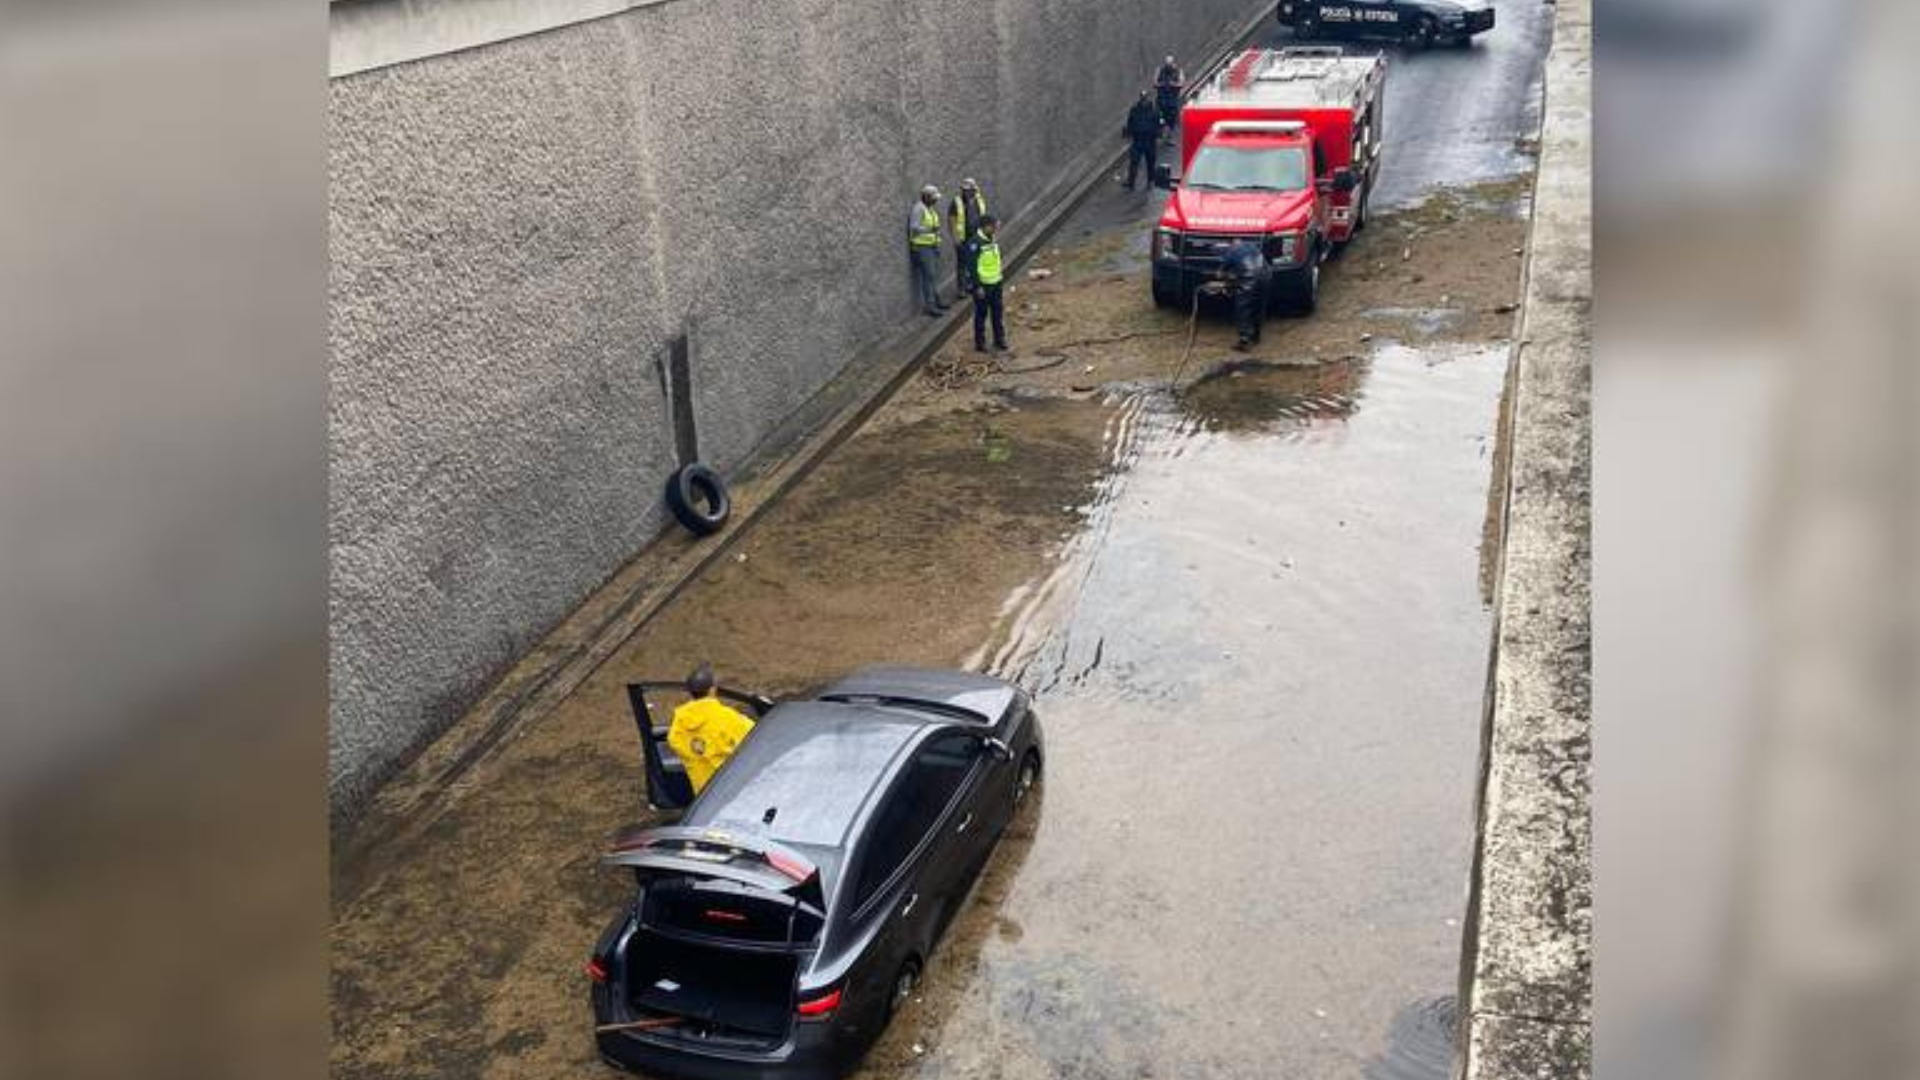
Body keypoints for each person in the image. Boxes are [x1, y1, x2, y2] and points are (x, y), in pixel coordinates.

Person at [666, 662, 756, 794]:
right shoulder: (726, 716)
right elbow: (756, 736)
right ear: (712, 689)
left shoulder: (680, 720)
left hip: (702, 794)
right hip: (729, 788)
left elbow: (674, 742)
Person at [1221, 238, 1270, 351]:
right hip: (1266, 277)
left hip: (1249, 280)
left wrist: (1226, 280)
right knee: (1259, 306)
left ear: (1231, 245)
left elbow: (1221, 273)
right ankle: (1256, 336)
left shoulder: (1231, 252)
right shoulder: (1252, 245)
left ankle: (1244, 340)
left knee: (1242, 309)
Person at [969, 216, 1008, 353]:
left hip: (996, 282)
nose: (996, 230)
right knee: (981, 315)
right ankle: (980, 343)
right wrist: (977, 286)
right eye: (994, 227)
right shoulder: (975, 243)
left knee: (997, 313)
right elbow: (972, 267)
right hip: (983, 286)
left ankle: (999, 339)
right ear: (985, 227)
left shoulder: (991, 239)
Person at [908, 184, 947, 316]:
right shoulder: (918, 209)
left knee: (932, 275)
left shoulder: (929, 208)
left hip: (931, 246)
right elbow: (914, 227)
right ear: (925, 197)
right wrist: (930, 230)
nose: (936, 200)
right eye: (933, 198)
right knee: (928, 276)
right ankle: (930, 305)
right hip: (921, 247)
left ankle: (936, 300)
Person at [948, 178, 988, 295]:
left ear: (973, 190)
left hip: (976, 237)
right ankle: (961, 289)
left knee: (975, 261)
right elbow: (952, 220)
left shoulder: (978, 199)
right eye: (964, 190)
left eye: (968, 190)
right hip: (963, 238)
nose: (965, 192)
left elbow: (983, 217)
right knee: (962, 264)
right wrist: (955, 237)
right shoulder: (957, 202)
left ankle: (972, 284)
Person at [1124, 91, 1161, 191]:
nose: (1143, 100)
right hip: (1137, 140)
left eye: (1145, 98)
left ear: (1148, 99)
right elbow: (1130, 122)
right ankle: (1131, 182)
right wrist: (1128, 134)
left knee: (1150, 162)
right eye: (1142, 98)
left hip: (1150, 141)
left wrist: (1157, 137)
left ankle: (1150, 181)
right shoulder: (1134, 110)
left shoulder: (1155, 111)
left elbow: (1158, 125)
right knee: (1134, 162)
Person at [1155, 55, 1184, 133]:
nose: (1168, 67)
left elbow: (1181, 84)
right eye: (1167, 65)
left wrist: (1173, 84)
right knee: (1159, 116)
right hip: (1162, 99)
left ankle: (1170, 133)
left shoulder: (1178, 71)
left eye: (1169, 65)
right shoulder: (1159, 70)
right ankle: (1161, 131)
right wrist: (1163, 84)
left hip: (1172, 100)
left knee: (1172, 118)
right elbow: (1155, 83)